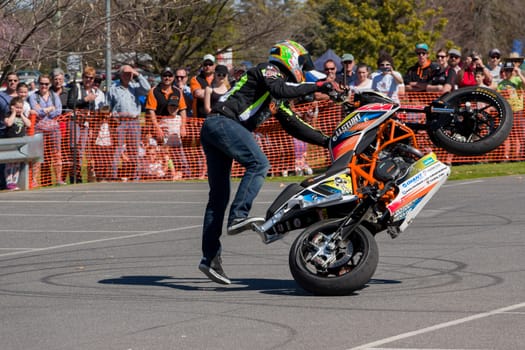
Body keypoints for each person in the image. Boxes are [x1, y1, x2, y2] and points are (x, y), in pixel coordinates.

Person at [198, 40, 333, 285]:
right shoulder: (270, 70)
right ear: (290, 58)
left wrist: (329, 141)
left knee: (218, 198)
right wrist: (317, 85)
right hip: (223, 123)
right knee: (259, 164)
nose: (302, 68)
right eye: (302, 63)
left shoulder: (276, 93)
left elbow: (294, 124)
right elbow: (282, 89)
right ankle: (239, 216)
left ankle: (210, 258)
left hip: (217, 127)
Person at [108, 65, 151, 181]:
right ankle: (114, 174)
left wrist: (137, 74)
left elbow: (148, 89)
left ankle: (135, 175)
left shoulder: (135, 87)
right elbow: (109, 106)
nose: (128, 76)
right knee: (117, 148)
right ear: (120, 75)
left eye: (129, 73)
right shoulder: (113, 88)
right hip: (119, 122)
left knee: (133, 149)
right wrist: (113, 118)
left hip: (134, 121)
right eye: (125, 73)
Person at [66, 66, 106, 183]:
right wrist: (85, 99)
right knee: (74, 150)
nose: (89, 80)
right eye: (86, 77)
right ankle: (74, 177)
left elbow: (92, 109)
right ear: (83, 77)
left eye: (91, 78)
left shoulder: (94, 91)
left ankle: (79, 176)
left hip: (87, 124)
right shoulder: (76, 87)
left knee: (82, 150)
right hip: (75, 122)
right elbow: (70, 103)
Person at [29, 74, 65, 186]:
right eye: (41, 83)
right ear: (38, 84)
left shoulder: (54, 96)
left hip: (54, 128)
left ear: (49, 84)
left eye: (46, 84)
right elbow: (36, 111)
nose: (44, 86)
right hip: (38, 129)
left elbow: (58, 111)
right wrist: (49, 109)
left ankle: (59, 179)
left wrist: (45, 110)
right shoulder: (33, 96)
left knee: (56, 154)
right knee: (37, 154)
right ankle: (34, 180)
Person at [145, 67, 188, 143]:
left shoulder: (177, 91)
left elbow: (183, 110)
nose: (167, 78)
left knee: (173, 153)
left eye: (170, 76)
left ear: (173, 77)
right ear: (161, 77)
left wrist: (183, 127)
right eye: (165, 75)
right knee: (155, 153)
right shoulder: (154, 91)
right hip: (157, 128)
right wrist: (157, 129)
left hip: (173, 128)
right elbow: (151, 111)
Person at [3, 97, 31, 190]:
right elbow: (9, 123)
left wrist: (22, 114)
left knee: (17, 164)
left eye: (20, 108)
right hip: (11, 142)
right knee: (9, 163)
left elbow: (29, 124)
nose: (19, 109)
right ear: (12, 107)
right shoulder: (8, 115)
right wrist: (13, 113)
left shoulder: (22, 116)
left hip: (20, 143)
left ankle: (14, 182)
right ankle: (9, 182)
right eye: (17, 107)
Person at [190, 54, 216, 118]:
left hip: (216, 116)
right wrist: (217, 94)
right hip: (199, 118)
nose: (208, 66)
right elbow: (198, 93)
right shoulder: (195, 79)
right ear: (202, 65)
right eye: (205, 64)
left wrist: (205, 92)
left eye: (210, 64)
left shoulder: (219, 78)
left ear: (214, 65)